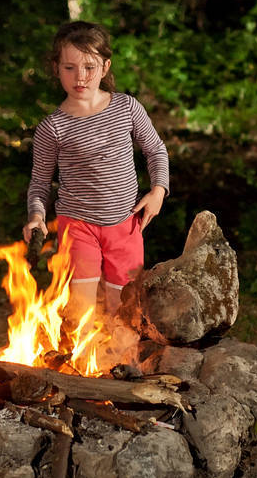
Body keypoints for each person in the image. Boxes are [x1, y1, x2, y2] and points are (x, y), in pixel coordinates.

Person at [23, 21, 169, 324]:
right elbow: (39, 183)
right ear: (56, 68)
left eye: (89, 67)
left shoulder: (127, 108)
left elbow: (156, 150)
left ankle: (121, 365)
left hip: (125, 224)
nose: (81, 77)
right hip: (77, 225)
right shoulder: (53, 128)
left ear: (105, 66)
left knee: (124, 310)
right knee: (80, 311)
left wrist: (158, 190)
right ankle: (79, 366)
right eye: (70, 68)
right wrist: (36, 216)